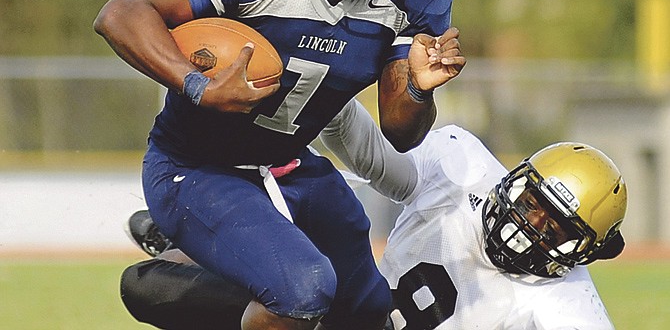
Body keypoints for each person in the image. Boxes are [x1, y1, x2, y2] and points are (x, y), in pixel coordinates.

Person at [93, 0, 465, 329]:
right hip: (196, 166)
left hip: (291, 165)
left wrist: (419, 91)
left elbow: (402, 133)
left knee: (365, 311)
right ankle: (170, 273)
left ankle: (198, 256)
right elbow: (120, 14)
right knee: (302, 294)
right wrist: (198, 86)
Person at [121, 99, 628, 330]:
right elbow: (378, 163)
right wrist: (333, 106)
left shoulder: (567, 308)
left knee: (148, 286)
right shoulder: (464, 166)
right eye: (533, 205)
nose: (528, 227)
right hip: (349, 298)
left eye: (554, 227)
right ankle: (188, 242)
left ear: (586, 252)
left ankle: (186, 243)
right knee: (146, 286)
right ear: (516, 177)